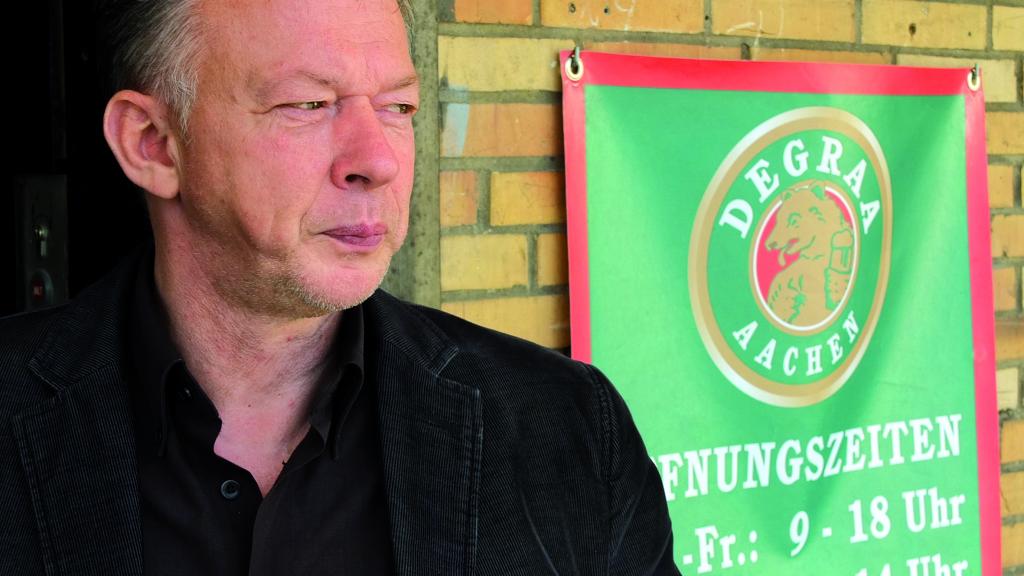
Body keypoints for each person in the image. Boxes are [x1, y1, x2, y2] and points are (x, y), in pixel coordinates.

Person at [0, 0, 678, 573]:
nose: (378, 160)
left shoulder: (564, 427)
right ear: (152, 142)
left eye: (399, 106)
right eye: (309, 103)